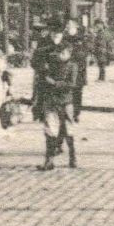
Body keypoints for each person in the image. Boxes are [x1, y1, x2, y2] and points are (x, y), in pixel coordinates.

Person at [33, 32, 82, 170]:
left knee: (68, 130)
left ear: (69, 53)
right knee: (50, 130)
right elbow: (43, 77)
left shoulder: (73, 66)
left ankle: (73, 157)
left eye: (63, 52)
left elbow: (72, 84)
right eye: (59, 52)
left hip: (66, 102)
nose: (60, 55)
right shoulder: (51, 63)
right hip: (51, 100)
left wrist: (54, 83)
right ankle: (49, 160)